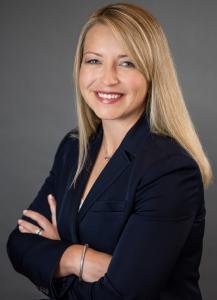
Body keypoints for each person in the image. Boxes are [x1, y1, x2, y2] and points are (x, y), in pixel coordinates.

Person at [7, 2, 213, 300]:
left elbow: (121, 295)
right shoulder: (73, 148)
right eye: (94, 61)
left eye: (127, 63)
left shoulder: (169, 170)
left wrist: (54, 255)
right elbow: (19, 243)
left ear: (152, 73)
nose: (107, 78)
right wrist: (77, 257)